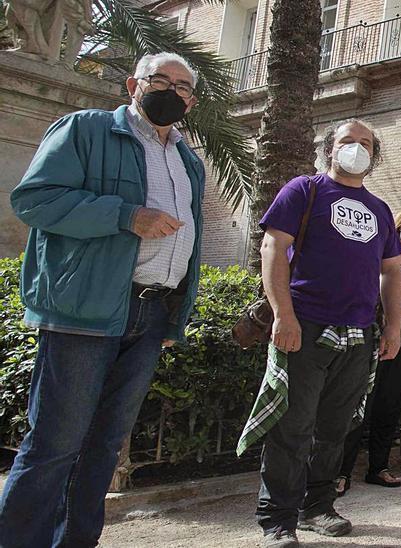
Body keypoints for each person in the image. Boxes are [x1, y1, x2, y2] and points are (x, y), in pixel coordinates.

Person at [0, 52, 206, 548]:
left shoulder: (188, 160)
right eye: (161, 80)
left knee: (104, 447)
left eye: (182, 87)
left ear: (192, 101)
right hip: (85, 312)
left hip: (152, 313)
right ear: (133, 84)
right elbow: (35, 199)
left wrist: (176, 310)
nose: (171, 91)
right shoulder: (86, 130)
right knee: (55, 445)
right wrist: (125, 215)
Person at [250, 119, 401, 547]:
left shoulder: (380, 210)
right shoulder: (304, 190)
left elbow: (392, 272)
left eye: (365, 143)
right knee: (292, 427)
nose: (356, 148)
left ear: (374, 156)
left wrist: (392, 326)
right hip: (305, 326)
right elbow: (273, 248)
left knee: (335, 428)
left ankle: (317, 507)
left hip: (357, 335)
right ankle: (277, 519)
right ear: (329, 149)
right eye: (347, 141)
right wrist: (284, 315)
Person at [336, 206, 401, 493]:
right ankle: (341, 472)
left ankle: (378, 467)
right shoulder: (382, 259)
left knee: (388, 408)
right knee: (360, 407)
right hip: (373, 344)